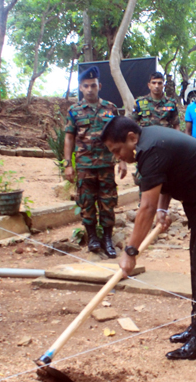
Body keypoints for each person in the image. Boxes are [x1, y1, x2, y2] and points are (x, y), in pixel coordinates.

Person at [102, 116, 196, 360]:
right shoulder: (150, 140)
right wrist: (163, 209)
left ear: (131, 138)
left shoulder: (150, 149)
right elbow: (164, 182)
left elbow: (145, 208)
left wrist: (130, 251)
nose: (118, 157)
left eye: (117, 151)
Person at [64, 66, 127, 258]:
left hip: (106, 164)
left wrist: (123, 160)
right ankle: (92, 238)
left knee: (108, 203)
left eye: (93, 85)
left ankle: (107, 239)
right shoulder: (74, 111)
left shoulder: (110, 108)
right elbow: (69, 138)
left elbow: (119, 136)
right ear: (81, 88)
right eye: (85, 86)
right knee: (86, 202)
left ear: (99, 86)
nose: (90, 89)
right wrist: (68, 164)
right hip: (84, 165)